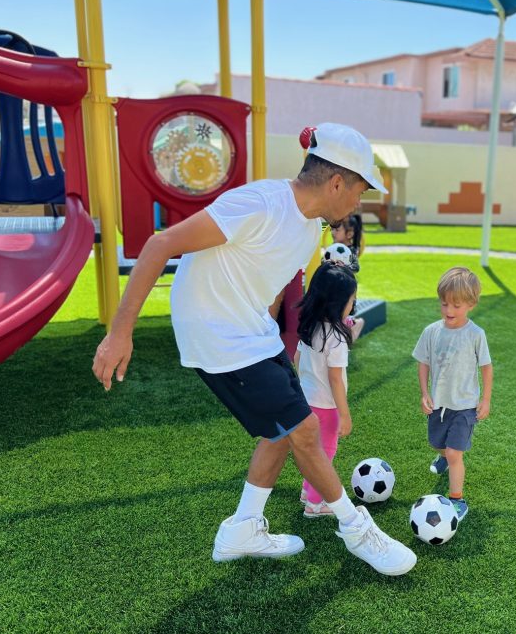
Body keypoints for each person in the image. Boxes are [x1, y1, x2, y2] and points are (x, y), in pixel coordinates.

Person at [91, 122, 416, 576]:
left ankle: (242, 529)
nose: (361, 202)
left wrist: (278, 336)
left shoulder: (309, 228)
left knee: (281, 431)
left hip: (251, 331)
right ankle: (356, 530)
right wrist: (119, 332)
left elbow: (262, 278)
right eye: (361, 190)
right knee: (302, 430)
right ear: (338, 182)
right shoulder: (258, 203)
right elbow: (160, 243)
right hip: (218, 334)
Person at [412, 267, 493, 521]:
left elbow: (486, 368)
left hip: (465, 407)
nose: (449, 310)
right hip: (438, 404)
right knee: (439, 445)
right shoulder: (431, 331)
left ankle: (457, 500)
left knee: (455, 452)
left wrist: (486, 398)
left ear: (471, 304)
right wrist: (424, 392)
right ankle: (444, 456)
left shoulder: (476, 335)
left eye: (456, 305)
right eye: (444, 303)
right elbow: (423, 362)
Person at [294, 262, 356, 518]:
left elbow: (297, 358)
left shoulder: (311, 327)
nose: (352, 304)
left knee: (311, 450)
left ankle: (308, 490)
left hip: (306, 401)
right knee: (325, 452)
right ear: (338, 302)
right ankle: (316, 504)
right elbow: (335, 379)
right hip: (326, 406)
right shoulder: (337, 338)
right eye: (351, 300)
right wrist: (345, 413)